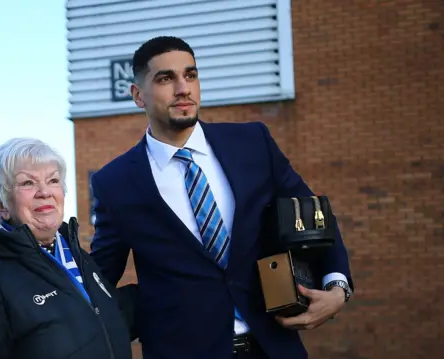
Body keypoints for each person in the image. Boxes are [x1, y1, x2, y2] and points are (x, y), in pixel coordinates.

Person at [89, 36, 354, 359]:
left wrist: (337, 286)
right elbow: (99, 275)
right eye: (165, 78)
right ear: (137, 95)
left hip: (272, 347)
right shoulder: (115, 183)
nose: (183, 88)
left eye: (190, 75)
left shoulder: (252, 143)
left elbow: (315, 214)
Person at [0, 138, 136, 359]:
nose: (44, 192)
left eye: (53, 180)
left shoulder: (82, 263)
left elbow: (99, 324)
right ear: (2, 205)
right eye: (27, 183)